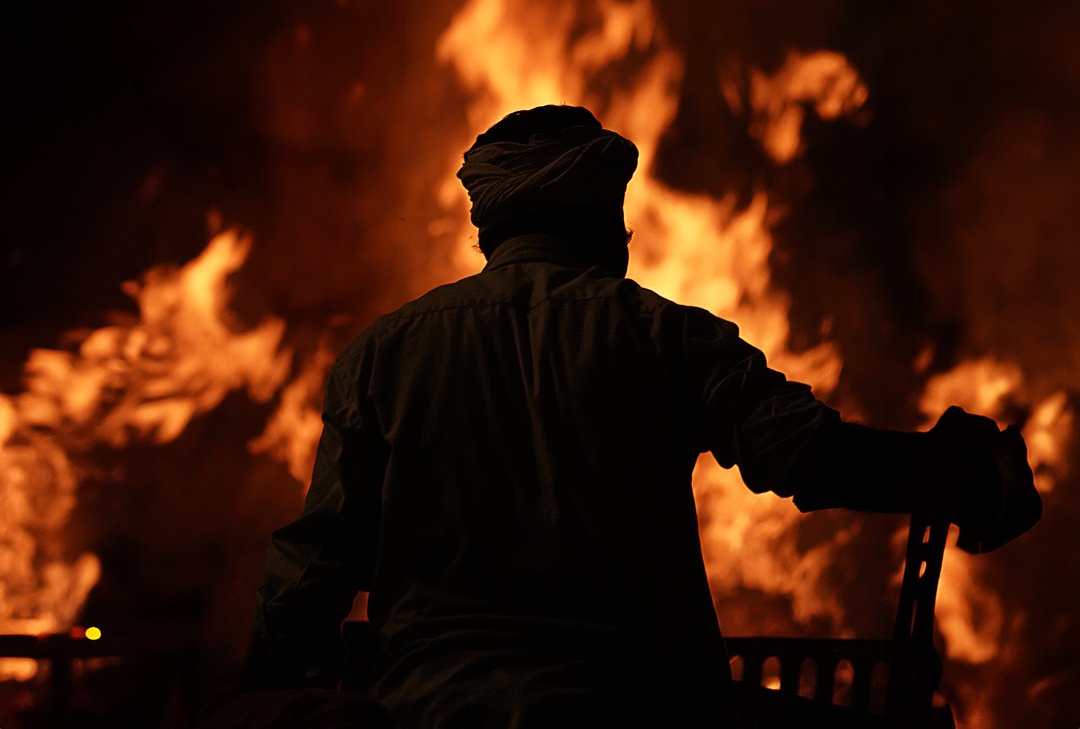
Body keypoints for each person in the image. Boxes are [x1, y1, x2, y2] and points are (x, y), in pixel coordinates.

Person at [230, 104, 1041, 728]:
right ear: (602, 223)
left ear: (488, 228)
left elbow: (313, 568)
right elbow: (811, 457)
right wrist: (958, 472)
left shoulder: (381, 355)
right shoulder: (665, 337)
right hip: (644, 707)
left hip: (432, 710)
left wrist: (260, 691)